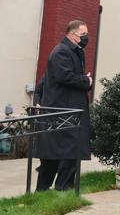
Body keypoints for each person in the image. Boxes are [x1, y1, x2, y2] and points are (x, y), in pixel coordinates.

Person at [34, 20, 93, 191]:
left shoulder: (73, 51)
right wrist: (86, 80)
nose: (86, 38)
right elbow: (64, 76)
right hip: (62, 112)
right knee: (59, 154)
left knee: (66, 154)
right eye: (83, 35)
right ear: (72, 35)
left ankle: (60, 190)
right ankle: (54, 190)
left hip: (68, 111)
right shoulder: (62, 52)